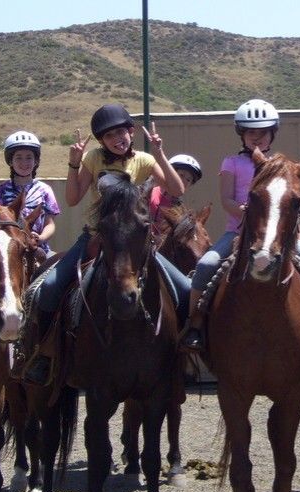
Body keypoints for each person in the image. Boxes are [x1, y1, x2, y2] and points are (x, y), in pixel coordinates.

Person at [23, 104, 193, 383]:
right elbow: (73, 198)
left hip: (137, 245)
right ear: (102, 141)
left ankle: (182, 353)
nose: (117, 139)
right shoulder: (92, 160)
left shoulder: (145, 161)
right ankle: (44, 354)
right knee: (49, 289)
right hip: (96, 238)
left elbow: (177, 190)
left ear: (130, 131)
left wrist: (160, 154)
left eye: (121, 132)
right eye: (109, 135)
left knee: (186, 290)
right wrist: (74, 163)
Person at [179, 99, 300, 351]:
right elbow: (226, 199)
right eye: (251, 132)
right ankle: (194, 324)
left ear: (272, 134)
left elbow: (288, 206)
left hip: (279, 236)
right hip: (237, 231)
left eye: (262, 133)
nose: (256, 138)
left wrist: (296, 235)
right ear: (242, 135)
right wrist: (245, 212)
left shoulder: (283, 165)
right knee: (206, 265)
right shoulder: (232, 163)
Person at [0, 131, 60, 255]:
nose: (24, 163)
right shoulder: (0, 191)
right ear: (10, 161)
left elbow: (50, 224)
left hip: (39, 249)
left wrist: (41, 238)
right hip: (9, 251)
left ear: (36, 161)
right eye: (19, 158)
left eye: (29, 157)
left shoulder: (45, 190)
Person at [150, 153, 202, 223]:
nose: (184, 181)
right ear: (169, 173)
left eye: (188, 180)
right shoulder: (147, 193)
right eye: (181, 175)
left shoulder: (181, 211)